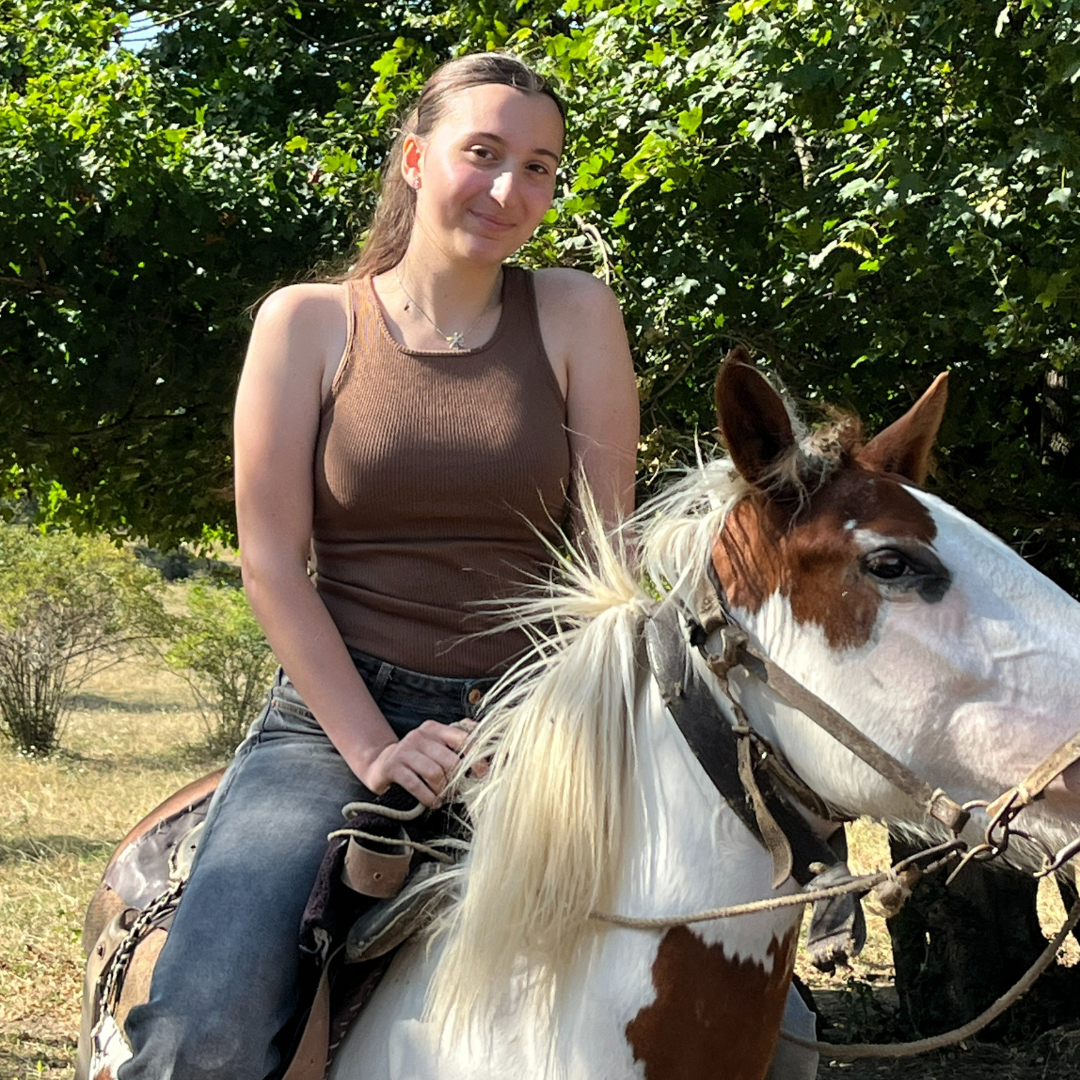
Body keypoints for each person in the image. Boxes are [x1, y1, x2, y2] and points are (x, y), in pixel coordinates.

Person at [118, 52, 639, 1080]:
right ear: (414, 158)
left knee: (757, 1014)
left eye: (538, 167)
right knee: (203, 1030)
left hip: (536, 714)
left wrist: (533, 721)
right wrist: (376, 750)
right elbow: (272, 562)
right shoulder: (309, 322)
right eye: (482, 153)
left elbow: (605, 558)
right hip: (337, 719)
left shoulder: (577, 311)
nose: (509, 190)